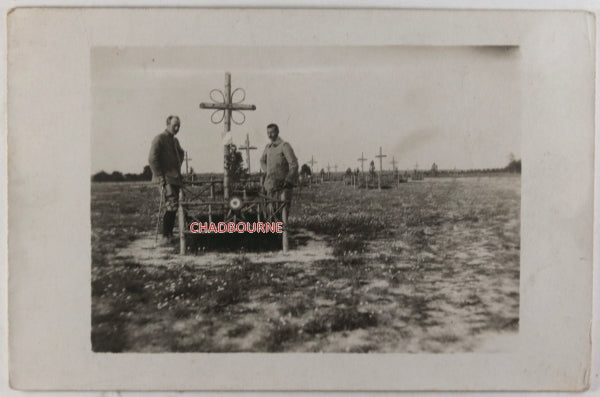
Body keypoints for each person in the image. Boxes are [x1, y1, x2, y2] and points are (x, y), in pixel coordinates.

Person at [148, 115, 185, 245]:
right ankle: (165, 237)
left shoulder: (175, 141)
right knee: (171, 205)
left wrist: (176, 167)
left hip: (174, 178)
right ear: (168, 124)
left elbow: (181, 153)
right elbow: (152, 159)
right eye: (175, 125)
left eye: (179, 126)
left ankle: (169, 235)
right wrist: (160, 175)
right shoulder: (160, 139)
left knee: (174, 206)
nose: (177, 128)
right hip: (165, 179)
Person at [259, 123, 298, 220]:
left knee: (282, 212)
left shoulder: (284, 146)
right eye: (268, 133)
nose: (269, 135)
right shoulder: (268, 147)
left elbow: (294, 164)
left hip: (282, 186)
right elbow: (262, 160)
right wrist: (267, 172)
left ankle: (283, 234)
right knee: (270, 212)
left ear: (277, 132)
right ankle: (272, 233)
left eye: (272, 132)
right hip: (270, 185)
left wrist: (288, 180)